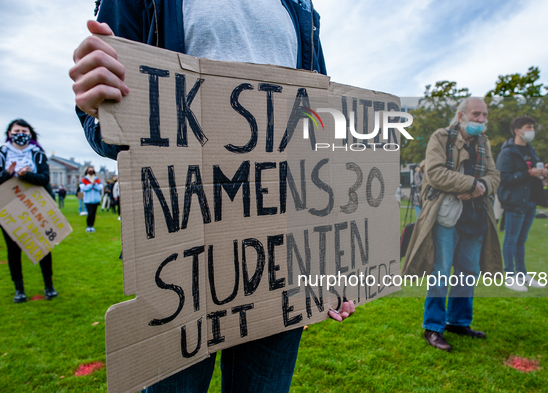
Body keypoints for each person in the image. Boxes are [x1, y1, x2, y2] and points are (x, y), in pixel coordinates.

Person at [70, 1, 353, 391]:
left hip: (282, 254)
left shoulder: (300, 8)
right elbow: (105, 122)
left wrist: (333, 258)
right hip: (181, 252)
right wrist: (98, 101)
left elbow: (319, 132)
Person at [402, 98, 502, 352]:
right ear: (461, 116)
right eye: (476, 114)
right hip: (446, 216)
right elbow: (434, 173)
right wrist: (471, 184)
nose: (481, 119)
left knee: (468, 272)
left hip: (476, 216)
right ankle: (433, 327)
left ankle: (458, 322)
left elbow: (494, 176)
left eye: (484, 115)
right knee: (441, 272)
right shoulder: (441, 136)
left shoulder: (484, 142)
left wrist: (480, 187)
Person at [0, 119, 58, 303]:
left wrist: (26, 175)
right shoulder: (1, 153)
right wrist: (8, 173)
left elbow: (44, 178)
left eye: (24, 130)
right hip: (9, 206)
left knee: (43, 246)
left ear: (30, 134)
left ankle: (49, 286)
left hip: (34, 206)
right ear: (10, 133)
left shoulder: (37, 153)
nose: (20, 133)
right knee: (13, 250)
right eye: (17, 130)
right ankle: (19, 289)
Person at [496, 116, 548, 292]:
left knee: (521, 240)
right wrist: (529, 174)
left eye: (533, 127)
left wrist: (541, 173)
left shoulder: (531, 150)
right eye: (529, 127)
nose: (532, 130)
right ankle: (509, 276)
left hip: (530, 201)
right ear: (518, 131)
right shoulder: (508, 152)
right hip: (514, 202)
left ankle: (522, 274)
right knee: (511, 239)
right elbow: (503, 179)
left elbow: (532, 174)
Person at [80, 166, 103, 232]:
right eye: (89, 171)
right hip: (88, 200)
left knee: (93, 214)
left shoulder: (96, 179)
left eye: (92, 171)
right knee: (90, 213)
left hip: (95, 199)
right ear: (87, 171)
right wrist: (91, 185)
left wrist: (94, 184)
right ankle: (88, 226)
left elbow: (100, 187)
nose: (91, 172)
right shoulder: (84, 179)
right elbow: (84, 188)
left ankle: (92, 226)